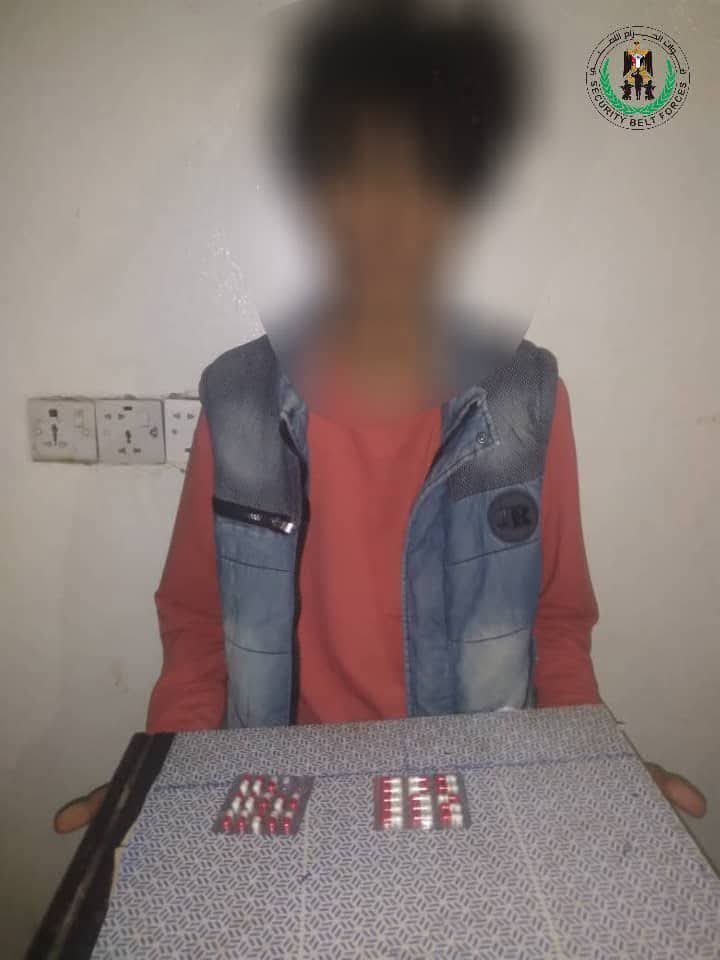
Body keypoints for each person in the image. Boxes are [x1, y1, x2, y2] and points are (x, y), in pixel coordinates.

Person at [55, 0, 705, 833]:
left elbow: (556, 621)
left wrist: (589, 764)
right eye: (355, 170)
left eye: (428, 174)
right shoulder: (240, 398)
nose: (389, 212)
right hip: (285, 789)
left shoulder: (526, 396)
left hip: (474, 792)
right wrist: (165, 777)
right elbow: (197, 622)